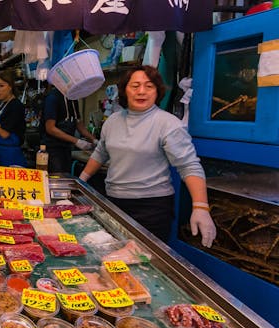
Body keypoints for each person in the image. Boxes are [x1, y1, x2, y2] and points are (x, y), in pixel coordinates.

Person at [79, 65, 216, 245]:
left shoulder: (168, 124)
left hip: (151, 208)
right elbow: (100, 153)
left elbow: (189, 166)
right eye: (135, 86)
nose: (141, 91)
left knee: (144, 264)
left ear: (157, 92)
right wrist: (81, 181)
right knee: (111, 258)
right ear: (124, 90)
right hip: (113, 202)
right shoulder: (112, 121)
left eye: (149, 86)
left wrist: (201, 207)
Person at [41, 85, 97, 173]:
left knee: (67, 176)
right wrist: (77, 141)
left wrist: (94, 140)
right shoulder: (53, 98)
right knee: (58, 179)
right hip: (53, 149)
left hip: (66, 148)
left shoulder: (73, 99)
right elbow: (50, 128)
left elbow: (79, 124)